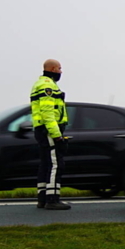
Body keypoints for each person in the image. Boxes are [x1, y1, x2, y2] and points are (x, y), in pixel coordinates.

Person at [30, 58, 71, 210]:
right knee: (55, 164)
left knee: (45, 163)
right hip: (49, 130)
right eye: (60, 68)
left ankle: (42, 198)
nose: (61, 71)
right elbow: (48, 113)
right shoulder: (47, 86)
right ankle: (52, 199)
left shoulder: (41, 84)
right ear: (53, 69)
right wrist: (57, 134)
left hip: (41, 129)